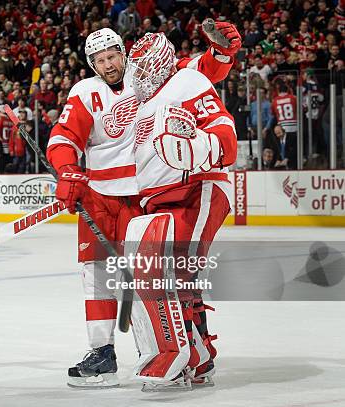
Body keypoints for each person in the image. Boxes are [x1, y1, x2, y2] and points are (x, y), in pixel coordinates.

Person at [46, 24, 241, 389]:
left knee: (163, 274)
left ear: (123, 52)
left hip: (142, 192)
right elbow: (63, 137)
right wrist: (67, 169)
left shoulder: (145, 74)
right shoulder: (85, 92)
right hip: (100, 196)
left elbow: (192, 72)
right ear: (92, 64)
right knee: (97, 275)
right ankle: (101, 352)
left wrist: (220, 54)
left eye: (112, 56)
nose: (108, 65)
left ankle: (178, 348)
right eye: (100, 60)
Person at [123, 32, 237, 390]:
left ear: (159, 62)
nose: (137, 76)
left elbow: (223, 130)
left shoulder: (186, 80)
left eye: (143, 68)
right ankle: (197, 358)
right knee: (167, 276)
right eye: (135, 69)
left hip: (196, 187)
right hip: (162, 197)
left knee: (176, 276)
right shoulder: (148, 101)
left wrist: (203, 145)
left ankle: (185, 356)